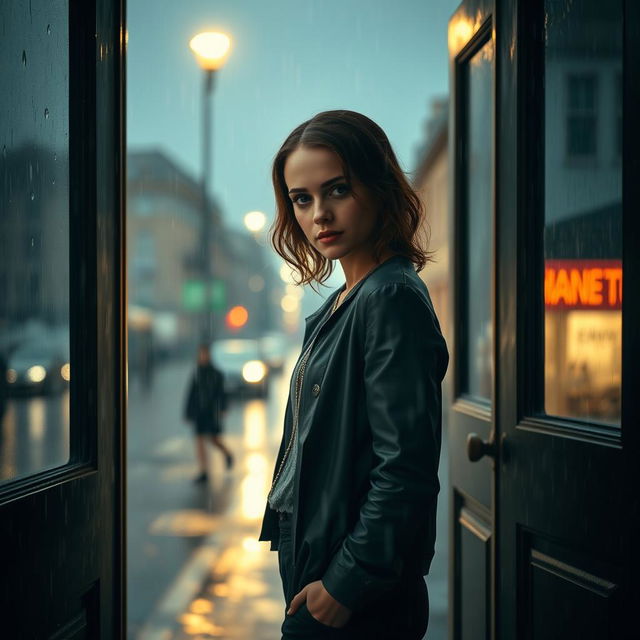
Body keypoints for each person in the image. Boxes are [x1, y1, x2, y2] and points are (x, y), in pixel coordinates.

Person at [259, 110, 449, 639]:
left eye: (337, 189)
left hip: (356, 596)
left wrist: (346, 585)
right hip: (328, 572)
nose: (319, 214)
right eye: (302, 198)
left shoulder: (388, 297)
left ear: (379, 186)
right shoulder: (349, 301)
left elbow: (404, 470)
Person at [184, 344, 234, 482]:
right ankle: (203, 471)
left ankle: (227, 454)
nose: (203, 357)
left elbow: (222, 393)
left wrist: (223, 408)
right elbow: (191, 393)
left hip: (212, 412)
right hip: (200, 413)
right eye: (201, 354)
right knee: (199, 440)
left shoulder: (216, 374)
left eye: (205, 354)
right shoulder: (197, 373)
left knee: (214, 439)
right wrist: (188, 412)